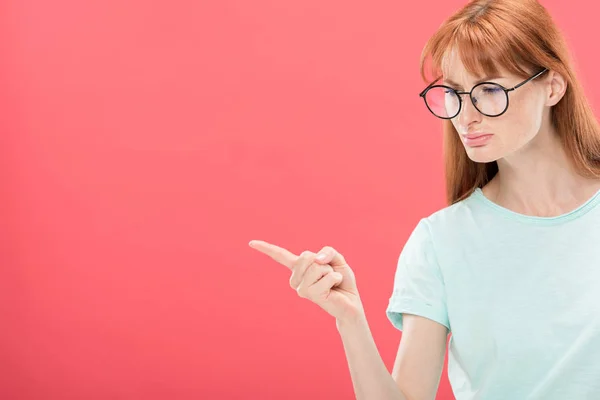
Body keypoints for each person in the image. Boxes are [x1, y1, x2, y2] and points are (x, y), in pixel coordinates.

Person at [248, 0, 600, 398]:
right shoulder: (442, 241)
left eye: (488, 89)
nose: (465, 116)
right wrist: (349, 320)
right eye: (453, 93)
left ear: (552, 86)